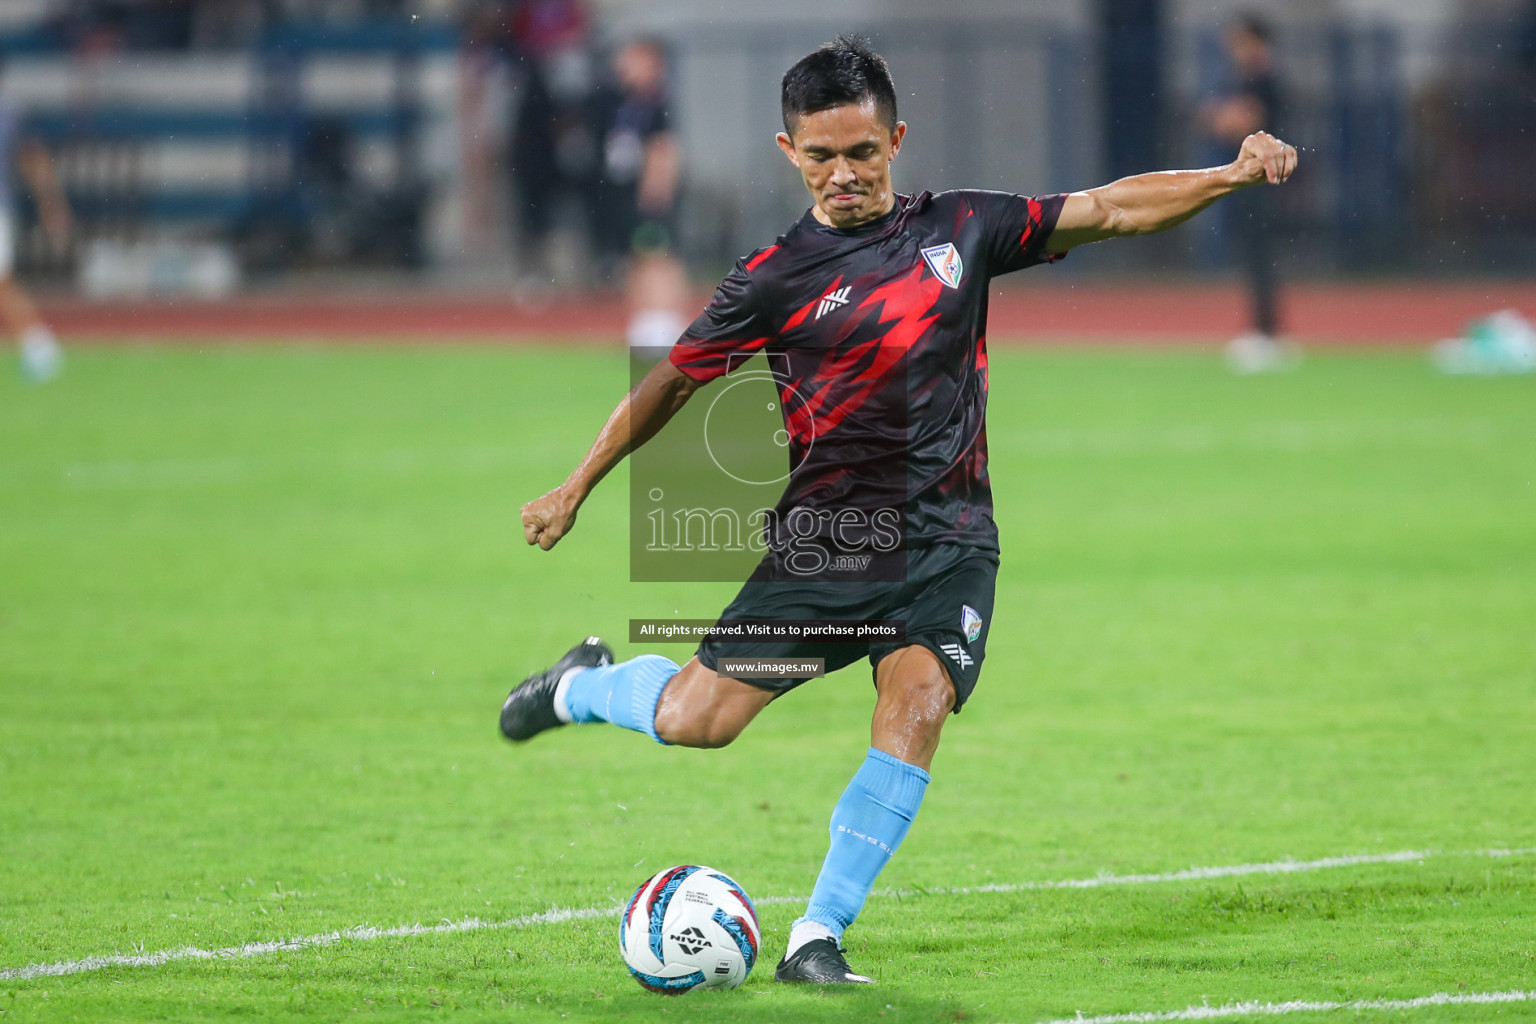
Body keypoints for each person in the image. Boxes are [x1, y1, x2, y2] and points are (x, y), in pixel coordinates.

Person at [504, 35, 1296, 985]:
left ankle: (817, 936)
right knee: (694, 721)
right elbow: (668, 385)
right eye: (822, 155)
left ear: (896, 141)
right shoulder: (771, 280)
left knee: (917, 701)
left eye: (863, 153)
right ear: (788, 153)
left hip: (954, 537)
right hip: (832, 548)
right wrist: (577, 484)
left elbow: (1115, 208)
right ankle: (579, 686)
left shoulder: (962, 228)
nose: (844, 174)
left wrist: (1231, 173)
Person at [1201, 13, 1288, 373]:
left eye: (1238, 41)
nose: (1232, 48)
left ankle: (1268, 334)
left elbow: (1242, 121)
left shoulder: (1263, 78)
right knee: (1253, 255)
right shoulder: (1247, 78)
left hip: (1264, 180)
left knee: (1259, 255)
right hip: (1252, 179)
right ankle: (1262, 330)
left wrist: (1220, 117)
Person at [0, 83, 72, 383]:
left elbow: (34, 159)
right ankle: (39, 345)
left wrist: (51, 203)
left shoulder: (10, 112)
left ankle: (40, 345)